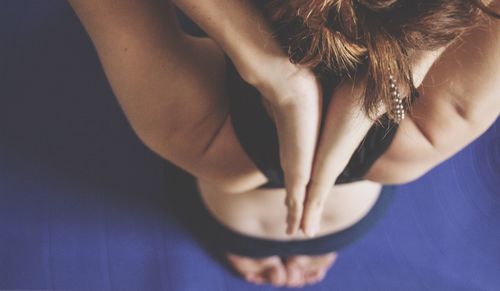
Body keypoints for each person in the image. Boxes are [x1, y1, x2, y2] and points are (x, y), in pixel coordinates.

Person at [68, 0, 500, 287]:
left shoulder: (193, 126)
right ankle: (311, 236)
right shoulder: (442, 120)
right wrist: (398, 73)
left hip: (222, 154)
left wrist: (261, 62)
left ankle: (261, 237)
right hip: (382, 165)